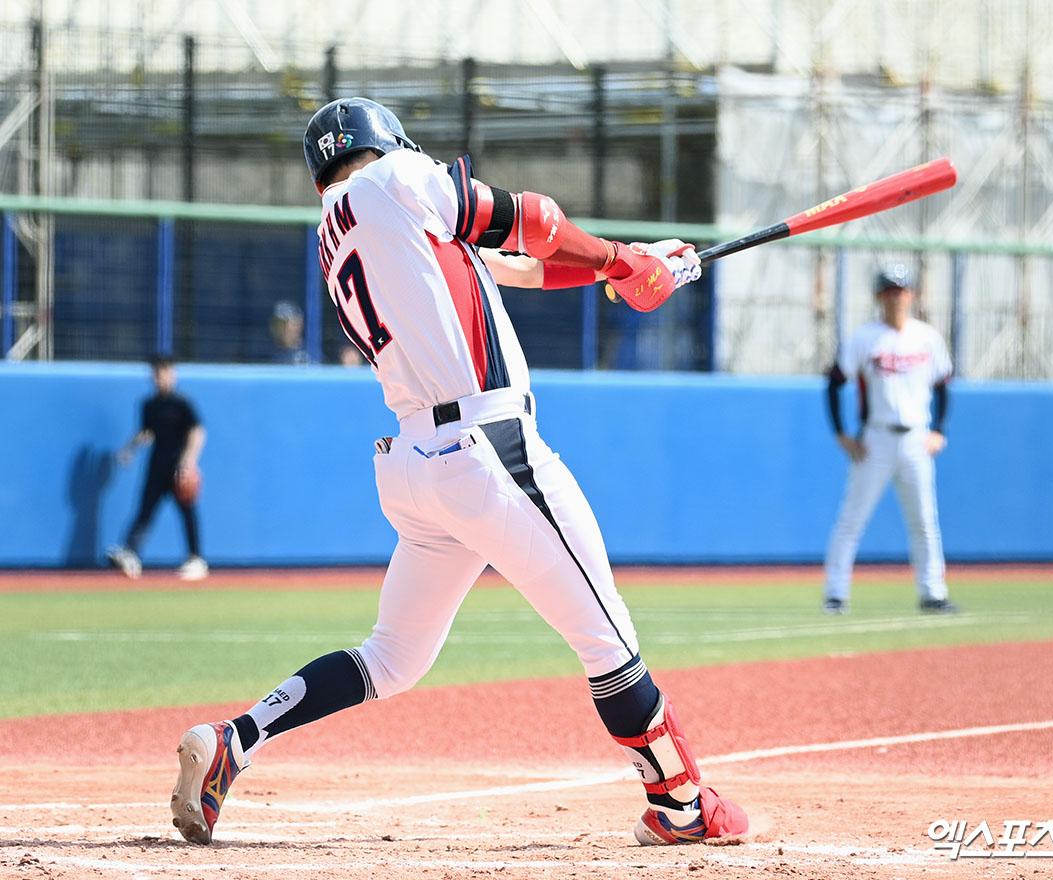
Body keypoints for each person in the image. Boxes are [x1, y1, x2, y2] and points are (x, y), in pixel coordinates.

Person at [169, 97, 747, 848]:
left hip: (417, 466)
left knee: (392, 657)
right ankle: (683, 805)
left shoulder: (346, 224)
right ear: (391, 142)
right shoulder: (399, 179)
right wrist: (615, 259)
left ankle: (234, 740)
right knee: (608, 642)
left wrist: (644, 263)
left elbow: (516, 266)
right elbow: (531, 218)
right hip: (489, 449)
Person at [822, 264, 956, 615]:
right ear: (879, 296)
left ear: (911, 294)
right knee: (851, 520)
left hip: (915, 438)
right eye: (889, 291)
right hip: (876, 439)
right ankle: (836, 595)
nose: (896, 297)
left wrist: (939, 429)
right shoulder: (865, 338)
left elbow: (943, 386)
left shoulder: (926, 337)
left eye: (901, 290)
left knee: (925, 521)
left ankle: (933, 593)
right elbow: (835, 382)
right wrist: (841, 434)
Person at [108, 354, 208, 581]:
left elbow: (197, 432)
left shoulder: (182, 404)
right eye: (155, 373)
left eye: (163, 373)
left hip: (178, 467)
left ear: (172, 374)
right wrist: (129, 449)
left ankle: (196, 559)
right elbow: (146, 432)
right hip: (157, 465)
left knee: (186, 512)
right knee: (145, 511)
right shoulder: (149, 405)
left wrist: (188, 462)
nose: (159, 378)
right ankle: (130, 552)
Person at [269, 300, 309, 364]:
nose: (282, 329)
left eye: (285, 324)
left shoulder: (309, 354)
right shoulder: (267, 354)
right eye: (279, 324)